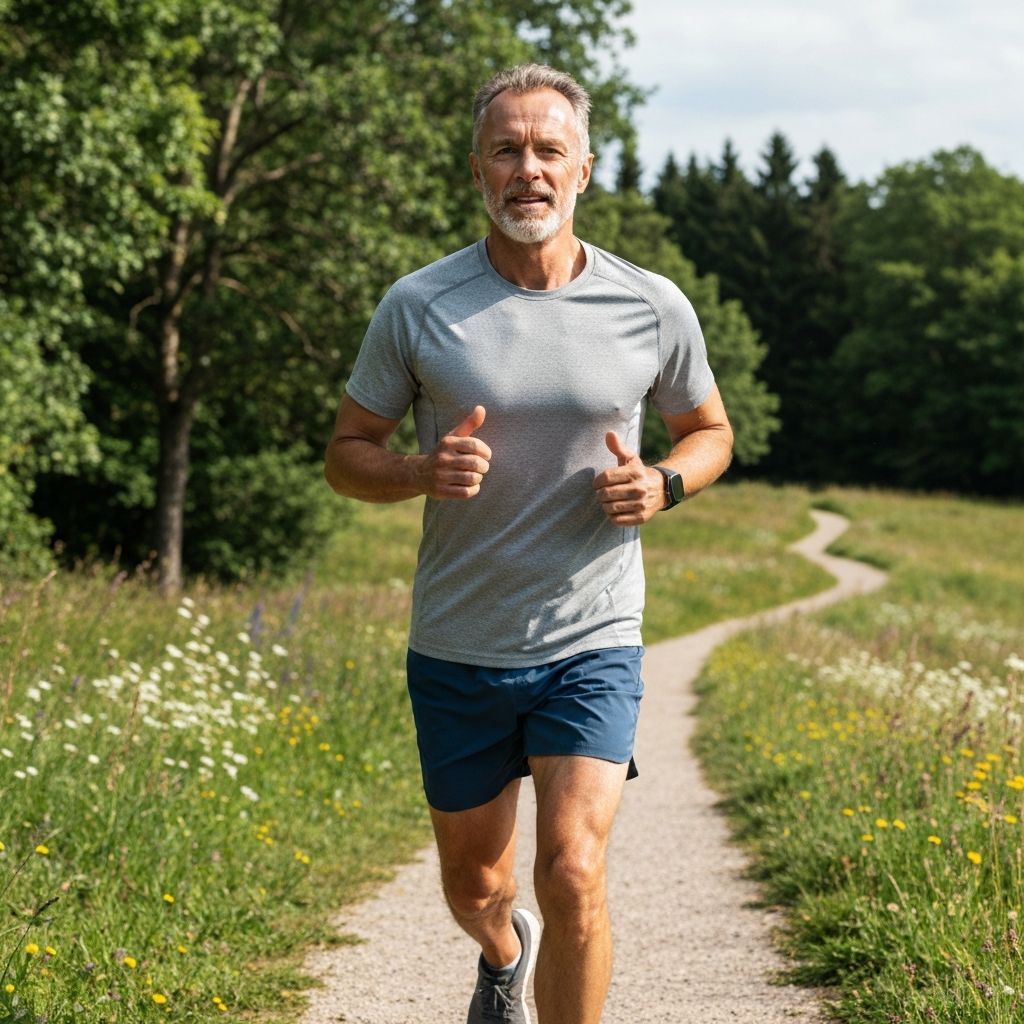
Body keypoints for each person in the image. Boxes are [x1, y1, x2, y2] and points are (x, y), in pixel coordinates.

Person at [324, 63, 733, 1024]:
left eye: (549, 149)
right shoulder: (419, 306)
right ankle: (503, 957)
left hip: (592, 636)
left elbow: (711, 433)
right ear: (477, 170)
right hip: (460, 644)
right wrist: (421, 472)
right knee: (477, 888)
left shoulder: (652, 304)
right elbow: (347, 456)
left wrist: (665, 483)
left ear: (584, 169)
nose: (528, 169)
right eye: (506, 149)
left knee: (573, 868)